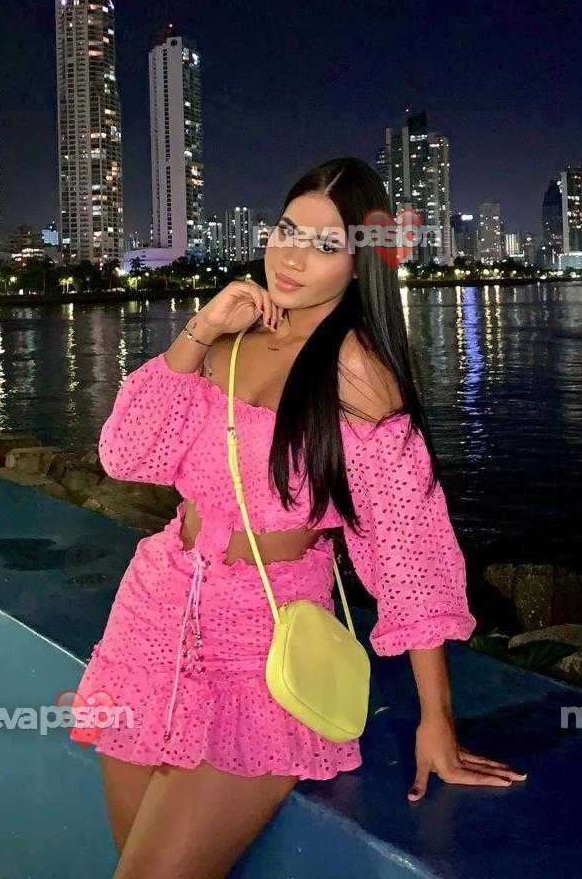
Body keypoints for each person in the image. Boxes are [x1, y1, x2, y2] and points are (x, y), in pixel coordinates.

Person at [69, 156, 525, 877]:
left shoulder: (356, 371)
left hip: (261, 645)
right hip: (152, 620)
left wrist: (436, 720)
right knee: (132, 860)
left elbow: (408, 551)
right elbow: (127, 454)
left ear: (360, 264)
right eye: (286, 230)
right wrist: (201, 327)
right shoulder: (227, 343)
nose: (291, 256)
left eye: (325, 244)